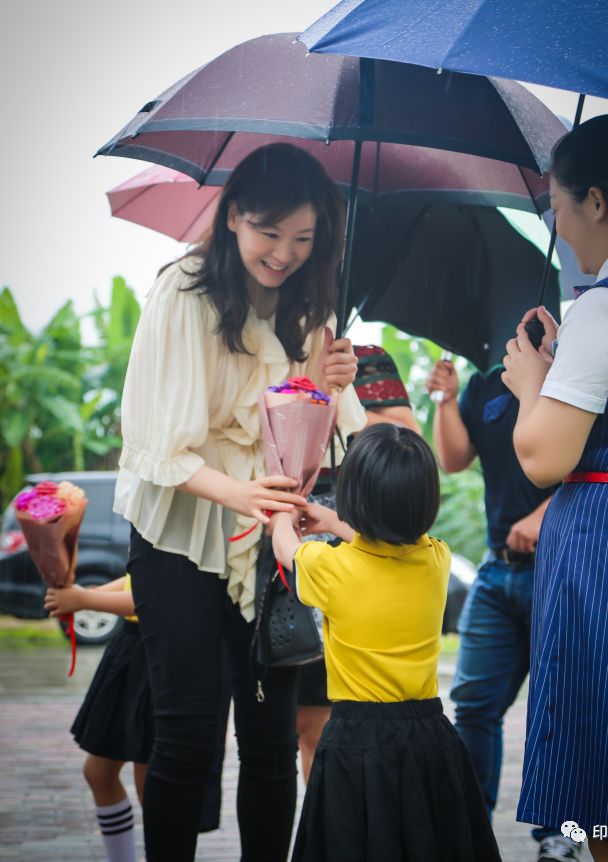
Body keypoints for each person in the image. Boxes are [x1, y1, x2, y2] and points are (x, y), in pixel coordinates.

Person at [114, 143, 366, 862]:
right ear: (232, 218)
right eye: (268, 231)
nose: (283, 253)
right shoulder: (185, 292)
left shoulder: (312, 304)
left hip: (268, 543)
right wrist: (241, 492)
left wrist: (327, 384)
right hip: (180, 538)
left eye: (303, 238)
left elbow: (310, 449)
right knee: (187, 734)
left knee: (268, 740)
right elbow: (157, 446)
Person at [501, 111, 608, 862]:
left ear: (598, 202)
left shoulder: (607, 304)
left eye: (558, 203)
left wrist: (530, 382)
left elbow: (543, 456)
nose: (558, 221)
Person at [272, 423, 502, 862]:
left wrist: (285, 511)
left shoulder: (328, 568)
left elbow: (287, 548)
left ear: (352, 498)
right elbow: (389, 544)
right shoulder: (437, 559)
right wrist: (336, 523)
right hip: (429, 736)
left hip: (357, 741)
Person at [424, 360, 573, 861]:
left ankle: (559, 836)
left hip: (558, 565)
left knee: (555, 705)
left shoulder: (570, 371)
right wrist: (445, 398)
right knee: (473, 704)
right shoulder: (483, 382)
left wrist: (543, 512)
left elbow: (596, 459)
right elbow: (454, 459)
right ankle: (472, 828)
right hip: (495, 569)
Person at [296, 344, 421, 783]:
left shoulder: (366, 358)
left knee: (331, 717)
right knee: (304, 723)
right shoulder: (245, 351)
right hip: (289, 521)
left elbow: (408, 437)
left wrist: (343, 408)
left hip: (350, 526)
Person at [44, 577, 230, 862]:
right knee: (99, 773)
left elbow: (158, 597)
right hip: (132, 644)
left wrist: (85, 601)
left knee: (154, 790)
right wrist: (83, 595)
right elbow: (139, 573)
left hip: (165, 651)